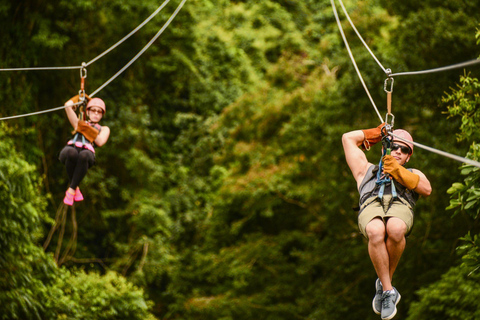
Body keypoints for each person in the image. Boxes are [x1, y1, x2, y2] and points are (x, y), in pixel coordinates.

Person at [342, 124, 431, 320]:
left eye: (404, 149)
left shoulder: (413, 172)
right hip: (372, 204)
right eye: (394, 146)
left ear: (408, 156)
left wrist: (399, 171)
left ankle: (383, 285)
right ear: (385, 148)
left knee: (395, 228)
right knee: (375, 230)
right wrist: (376, 133)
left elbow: (426, 189)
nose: (398, 151)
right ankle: (388, 289)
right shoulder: (365, 170)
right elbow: (347, 139)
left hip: (400, 205)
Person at [59, 95, 110, 205]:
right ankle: (74, 188)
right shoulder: (78, 123)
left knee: (84, 155)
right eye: (93, 110)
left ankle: (71, 189)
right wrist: (80, 96)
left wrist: (86, 128)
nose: (96, 113)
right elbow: (67, 106)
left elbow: (100, 141)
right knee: (71, 153)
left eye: (99, 112)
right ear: (88, 112)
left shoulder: (103, 129)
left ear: (102, 115)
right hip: (71, 148)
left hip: (87, 153)